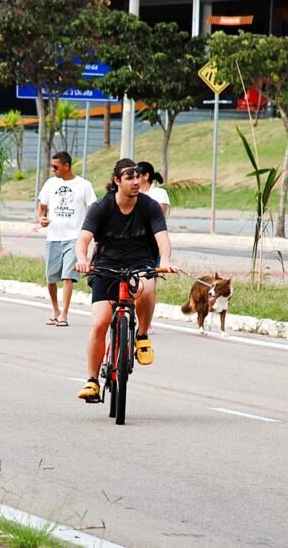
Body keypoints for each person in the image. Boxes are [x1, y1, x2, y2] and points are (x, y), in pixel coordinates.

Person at [73, 159, 176, 402]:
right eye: (130, 177)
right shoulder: (101, 207)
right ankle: (92, 381)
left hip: (141, 263)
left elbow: (162, 238)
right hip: (106, 266)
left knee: (147, 287)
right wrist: (82, 260)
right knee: (100, 323)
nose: (136, 181)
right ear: (117, 181)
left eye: (138, 176)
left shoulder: (149, 206)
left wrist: (165, 259)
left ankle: (142, 336)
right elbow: (83, 240)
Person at [37, 151, 96, 327]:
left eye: (56, 167)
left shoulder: (84, 185)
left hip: (74, 239)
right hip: (54, 237)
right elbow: (42, 207)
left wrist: (91, 233)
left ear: (66, 166)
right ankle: (55, 309)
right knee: (50, 278)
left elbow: (93, 210)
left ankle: (64, 313)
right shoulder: (50, 184)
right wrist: (41, 219)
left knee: (68, 277)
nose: (53, 170)